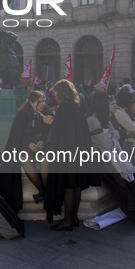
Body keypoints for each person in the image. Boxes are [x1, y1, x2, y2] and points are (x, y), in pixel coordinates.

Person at [86, 92, 135, 228]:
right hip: (103, 161)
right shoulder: (92, 120)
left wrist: (110, 137)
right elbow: (106, 143)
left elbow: (115, 135)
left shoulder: (101, 119)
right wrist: (111, 138)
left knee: (130, 181)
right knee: (123, 185)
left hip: (111, 159)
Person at [44, 80, 97, 230]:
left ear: (60, 92)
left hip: (68, 151)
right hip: (78, 150)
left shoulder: (64, 107)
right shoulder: (76, 105)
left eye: (55, 93)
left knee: (68, 185)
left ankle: (67, 220)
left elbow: (61, 131)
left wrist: (50, 123)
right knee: (76, 186)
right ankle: (74, 217)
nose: (54, 96)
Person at [0, 91, 54, 213]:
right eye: (39, 102)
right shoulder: (23, 114)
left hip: (41, 146)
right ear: (31, 102)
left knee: (44, 159)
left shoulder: (46, 112)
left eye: (43, 101)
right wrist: (28, 144)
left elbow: (48, 132)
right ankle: (42, 191)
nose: (42, 104)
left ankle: (47, 191)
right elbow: (18, 134)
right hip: (24, 146)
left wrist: (43, 141)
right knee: (24, 158)